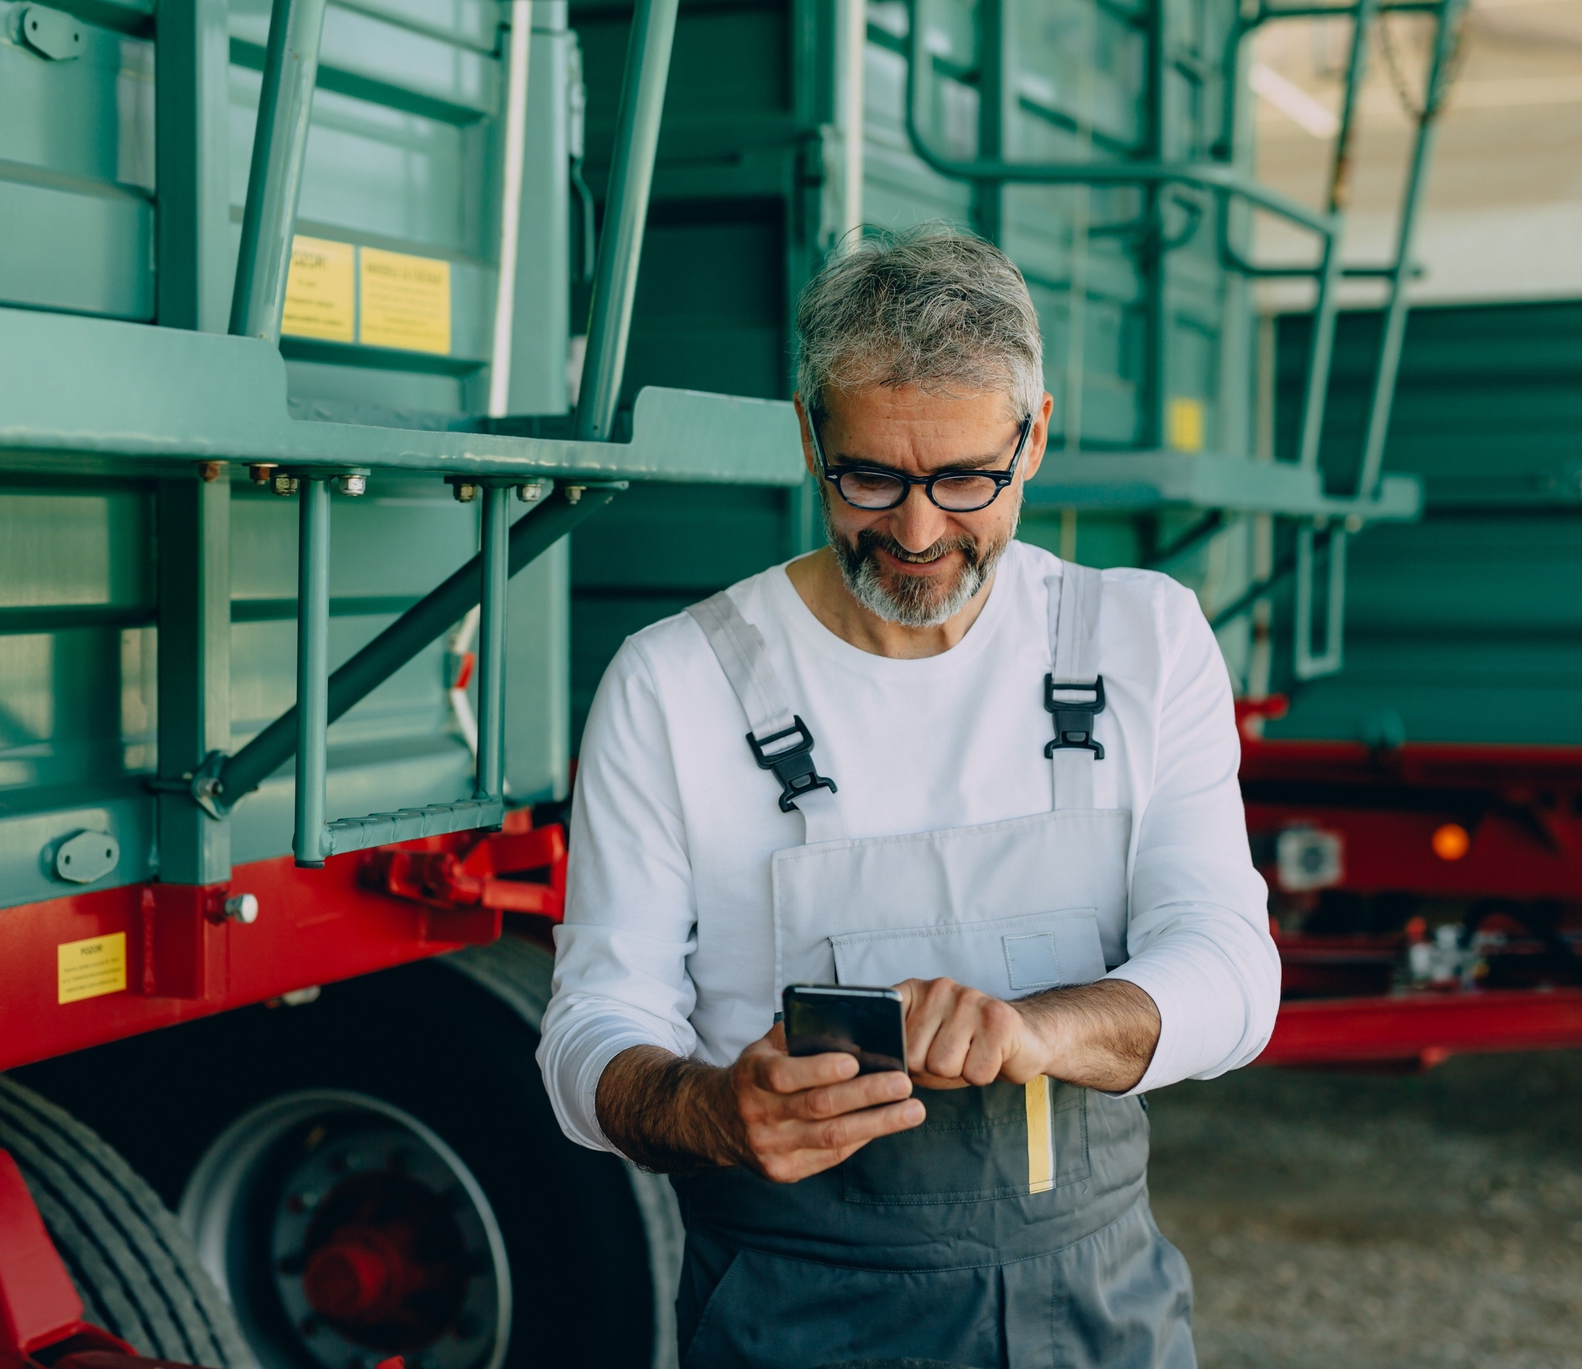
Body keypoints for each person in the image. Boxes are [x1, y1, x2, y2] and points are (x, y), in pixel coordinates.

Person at [537, 225, 1279, 1369]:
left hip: (1094, 1311)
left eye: (966, 479)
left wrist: (1035, 1028)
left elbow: (1234, 970)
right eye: (872, 476)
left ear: (1035, 436)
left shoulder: (1143, 637)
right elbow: (592, 1031)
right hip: (796, 1313)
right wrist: (713, 1110)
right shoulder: (677, 683)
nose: (921, 531)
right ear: (808, 433)